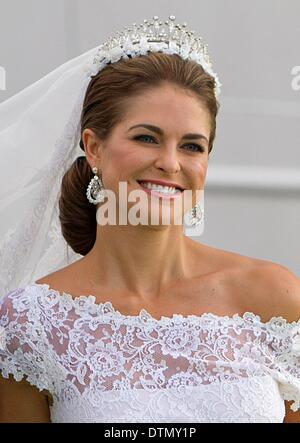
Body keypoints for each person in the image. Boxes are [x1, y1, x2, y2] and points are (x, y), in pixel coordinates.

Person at [0, 15, 299, 423]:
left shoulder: (274, 296)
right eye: (146, 138)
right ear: (94, 148)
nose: (170, 163)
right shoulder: (31, 323)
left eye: (192, 146)